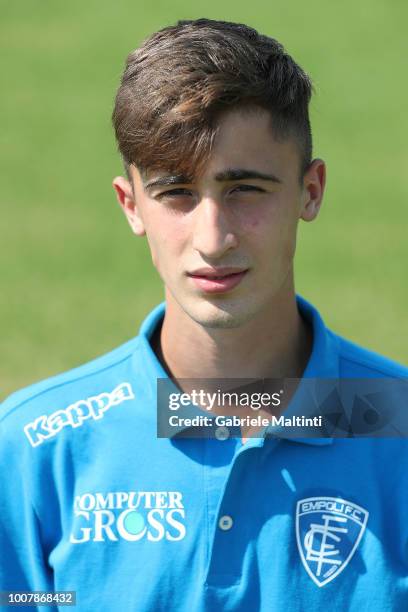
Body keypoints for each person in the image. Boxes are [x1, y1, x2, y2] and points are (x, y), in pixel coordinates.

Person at [1, 18, 407, 612]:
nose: (213, 239)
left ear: (310, 191)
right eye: (176, 193)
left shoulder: (396, 424)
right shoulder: (37, 449)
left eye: (245, 189)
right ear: (130, 204)